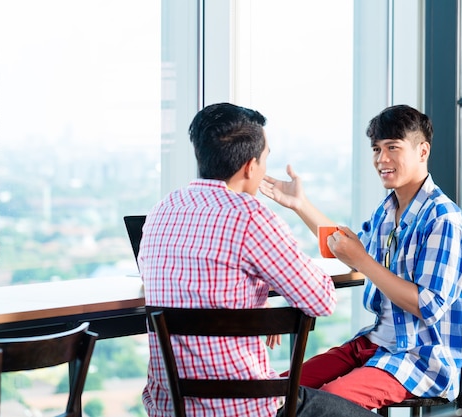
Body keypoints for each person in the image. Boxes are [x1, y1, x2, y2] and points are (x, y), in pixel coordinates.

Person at [139, 102, 378, 417]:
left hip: (171, 408)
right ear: (250, 167)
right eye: (266, 159)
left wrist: (252, 298)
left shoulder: (161, 211)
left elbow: (186, 284)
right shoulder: (250, 218)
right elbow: (320, 301)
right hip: (245, 408)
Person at [259, 104, 462, 411]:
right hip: (374, 345)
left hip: (420, 359)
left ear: (422, 151)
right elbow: (347, 247)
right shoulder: (388, 209)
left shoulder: (443, 220)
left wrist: (362, 260)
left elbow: (426, 305)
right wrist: (300, 204)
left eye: (393, 148)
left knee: (325, 404)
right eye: (376, 149)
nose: (381, 159)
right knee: (274, 391)